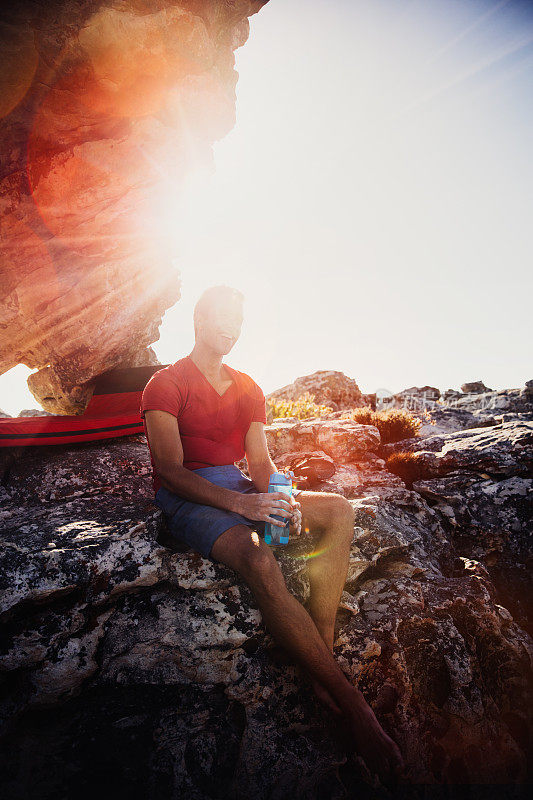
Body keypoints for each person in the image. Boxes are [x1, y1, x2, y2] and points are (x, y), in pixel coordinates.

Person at [141, 285, 403, 781]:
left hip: (240, 485)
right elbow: (170, 470)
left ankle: (318, 651)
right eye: (223, 316)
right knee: (260, 558)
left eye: (239, 319)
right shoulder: (166, 383)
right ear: (199, 320)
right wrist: (241, 503)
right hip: (187, 497)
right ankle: (354, 705)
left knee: (339, 511)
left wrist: (280, 493)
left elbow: (259, 463)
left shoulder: (248, 387)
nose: (232, 327)